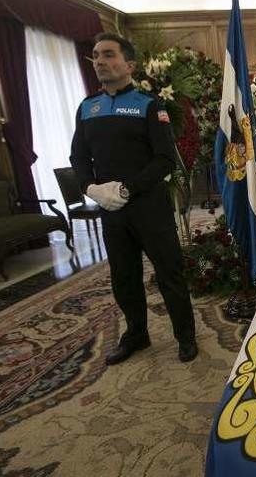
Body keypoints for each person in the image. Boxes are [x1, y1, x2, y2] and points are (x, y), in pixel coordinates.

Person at [70, 33, 198, 365]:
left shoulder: (148, 105)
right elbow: (79, 158)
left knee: (169, 274)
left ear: (129, 65)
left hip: (148, 207)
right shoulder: (87, 108)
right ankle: (137, 335)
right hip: (111, 211)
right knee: (124, 277)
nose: (100, 61)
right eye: (96, 55)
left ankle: (185, 336)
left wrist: (126, 188)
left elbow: (165, 160)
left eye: (109, 55)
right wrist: (91, 189)